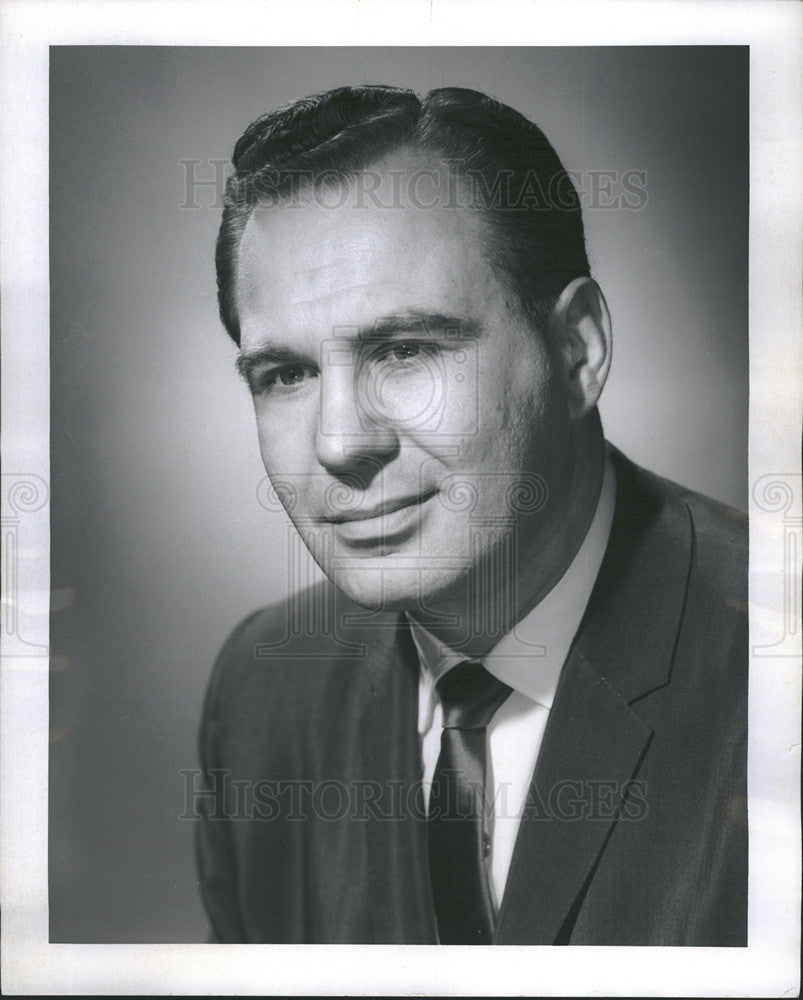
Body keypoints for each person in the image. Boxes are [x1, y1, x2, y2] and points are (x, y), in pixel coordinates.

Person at [194, 85, 747, 945]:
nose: (341, 442)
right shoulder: (265, 692)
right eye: (285, 375)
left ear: (578, 350)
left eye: (405, 350)